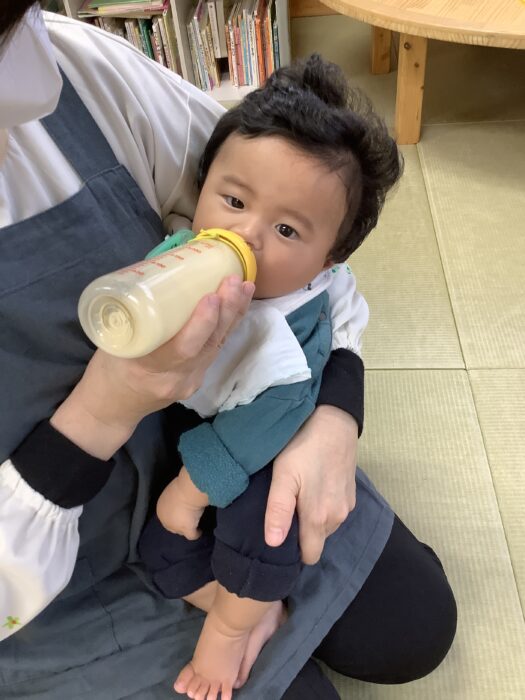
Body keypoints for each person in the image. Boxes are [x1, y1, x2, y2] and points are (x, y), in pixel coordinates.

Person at [0, 5, 457, 700]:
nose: (33, 84)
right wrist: (101, 412)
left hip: (217, 459)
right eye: (232, 204)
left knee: (412, 627)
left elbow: (312, 235)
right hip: (41, 588)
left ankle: (233, 601)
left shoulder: (78, 72)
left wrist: (335, 415)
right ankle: (225, 615)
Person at [137, 54, 402, 700]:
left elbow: (259, 427)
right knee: (161, 553)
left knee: (264, 530)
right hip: (195, 427)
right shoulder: (189, 249)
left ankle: (228, 632)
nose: (245, 234)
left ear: (328, 259)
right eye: (232, 200)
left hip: (255, 449)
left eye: (286, 229)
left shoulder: (286, 340)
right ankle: (250, 610)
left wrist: (191, 491)